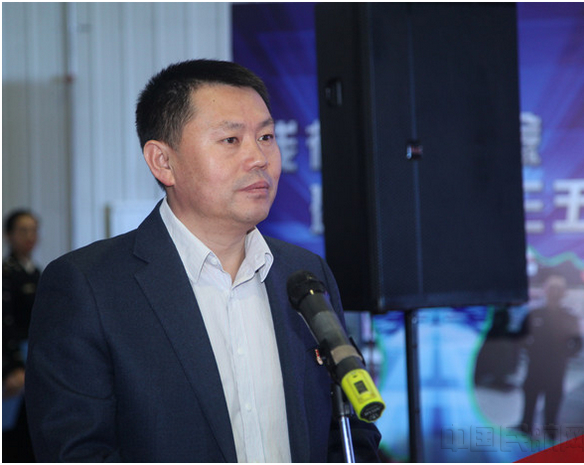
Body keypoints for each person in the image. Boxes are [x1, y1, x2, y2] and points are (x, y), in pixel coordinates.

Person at [25, 59, 381, 462]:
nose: (259, 158)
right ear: (163, 161)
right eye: (231, 140)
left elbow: (350, 428)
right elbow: (76, 451)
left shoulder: (305, 275)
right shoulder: (89, 286)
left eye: (266, 136)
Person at [517, 274, 583, 440]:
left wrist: (565, 354)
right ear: (545, 291)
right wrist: (530, 350)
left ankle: (550, 431)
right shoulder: (535, 314)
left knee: (553, 400)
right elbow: (520, 337)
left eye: (558, 289)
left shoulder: (569, 317)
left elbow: (578, 343)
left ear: (563, 293)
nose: (554, 292)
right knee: (530, 397)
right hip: (535, 366)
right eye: (551, 288)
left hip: (556, 368)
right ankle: (525, 427)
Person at [3, 209, 40, 462]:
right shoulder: (6, 273)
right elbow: (5, 323)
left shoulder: (36, 272)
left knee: (32, 430)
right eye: (23, 230)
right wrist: (13, 366)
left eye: (34, 230)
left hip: (34, 361)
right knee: (12, 435)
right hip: (14, 363)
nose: (30, 236)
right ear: (9, 235)